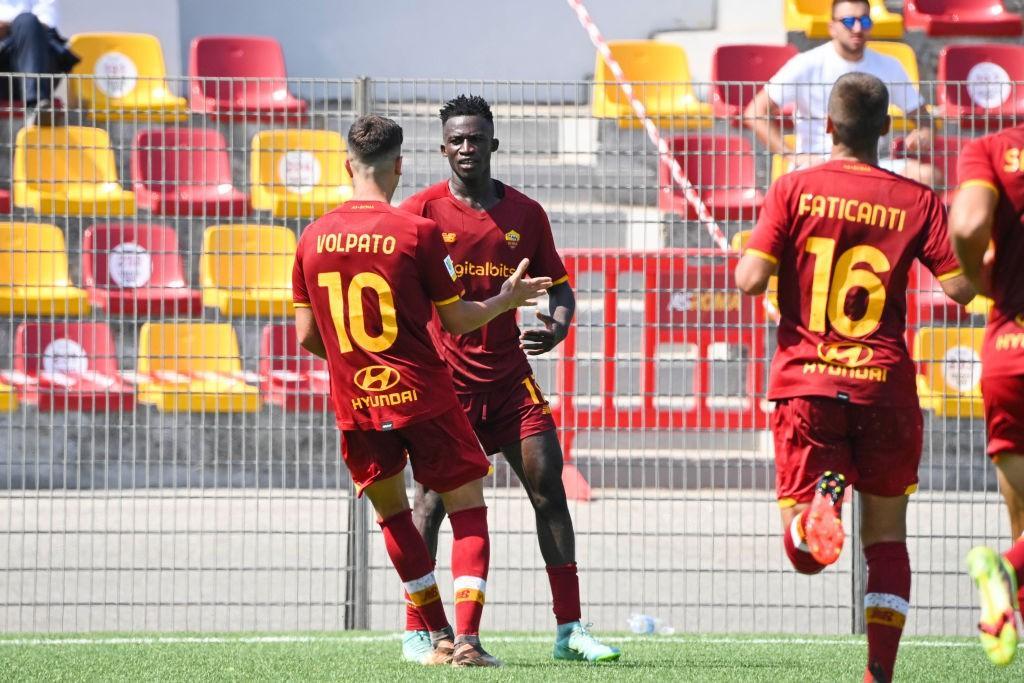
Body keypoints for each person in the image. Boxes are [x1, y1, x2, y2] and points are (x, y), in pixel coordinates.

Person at [735, 73, 974, 682]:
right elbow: (960, 289)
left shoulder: (794, 189)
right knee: (887, 541)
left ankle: (821, 501)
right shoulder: (917, 200)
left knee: (806, 554)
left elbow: (748, 280)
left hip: (807, 385)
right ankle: (879, 676)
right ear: (888, 131)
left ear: (829, 127)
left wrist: (768, 264)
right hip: (885, 386)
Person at [292, 114, 552, 667]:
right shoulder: (417, 232)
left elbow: (309, 336)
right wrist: (507, 299)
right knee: (467, 511)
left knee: (395, 519)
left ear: (346, 166)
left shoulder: (311, 238)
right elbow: (457, 322)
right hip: (426, 396)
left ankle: (433, 638)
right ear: (400, 166)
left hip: (357, 401)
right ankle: (468, 641)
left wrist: (358, 363)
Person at [397, 95, 620, 664]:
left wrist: (558, 327)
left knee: (550, 493)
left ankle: (569, 630)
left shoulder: (526, 214)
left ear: (494, 144)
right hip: (447, 389)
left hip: (511, 384)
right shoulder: (421, 212)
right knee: (430, 505)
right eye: (457, 140)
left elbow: (561, 288)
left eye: (477, 138)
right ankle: (419, 630)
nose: (467, 148)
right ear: (443, 147)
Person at [950, 125, 1024, 668]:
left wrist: (977, 278)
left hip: (1008, 345)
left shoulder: (994, 148)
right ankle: (1008, 571)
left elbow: (971, 222)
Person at [744, 0, 938, 186]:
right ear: (832, 27)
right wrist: (791, 155)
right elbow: (755, 112)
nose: (857, 28)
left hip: (874, 164)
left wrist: (924, 133)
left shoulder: (890, 66)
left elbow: (924, 118)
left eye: (864, 20)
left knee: (929, 177)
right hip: (819, 163)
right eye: (848, 21)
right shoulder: (805, 64)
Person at [0, 1, 77, 124]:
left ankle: (36, 107)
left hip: (33, 60)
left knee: (27, 22)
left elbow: (47, 20)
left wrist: (8, 25)